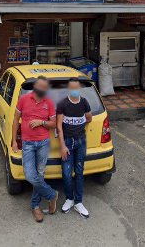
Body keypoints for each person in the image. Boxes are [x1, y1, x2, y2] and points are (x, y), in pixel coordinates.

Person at [12, 76, 58, 223]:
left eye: (44, 87)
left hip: (43, 143)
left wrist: (42, 122)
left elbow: (54, 124)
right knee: (30, 175)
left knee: (40, 174)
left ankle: (35, 206)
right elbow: (15, 120)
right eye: (40, 86)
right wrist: (14, 141)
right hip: (28, 143)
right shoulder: (24, 99)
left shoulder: (49, 103)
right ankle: (52, 195)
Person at [56, 79, 92, 218]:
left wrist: (79, 125)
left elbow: (89, 118)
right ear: (68, 89)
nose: (75, 90)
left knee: (79, 172)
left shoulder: (84, 102)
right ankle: (69, 199)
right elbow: (59, 126)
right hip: (67, 142)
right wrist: (62, 146)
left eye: (77, 88)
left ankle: (78, 202)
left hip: (81, 141)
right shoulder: (62, 104)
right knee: (66, 173)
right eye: (72, 88)